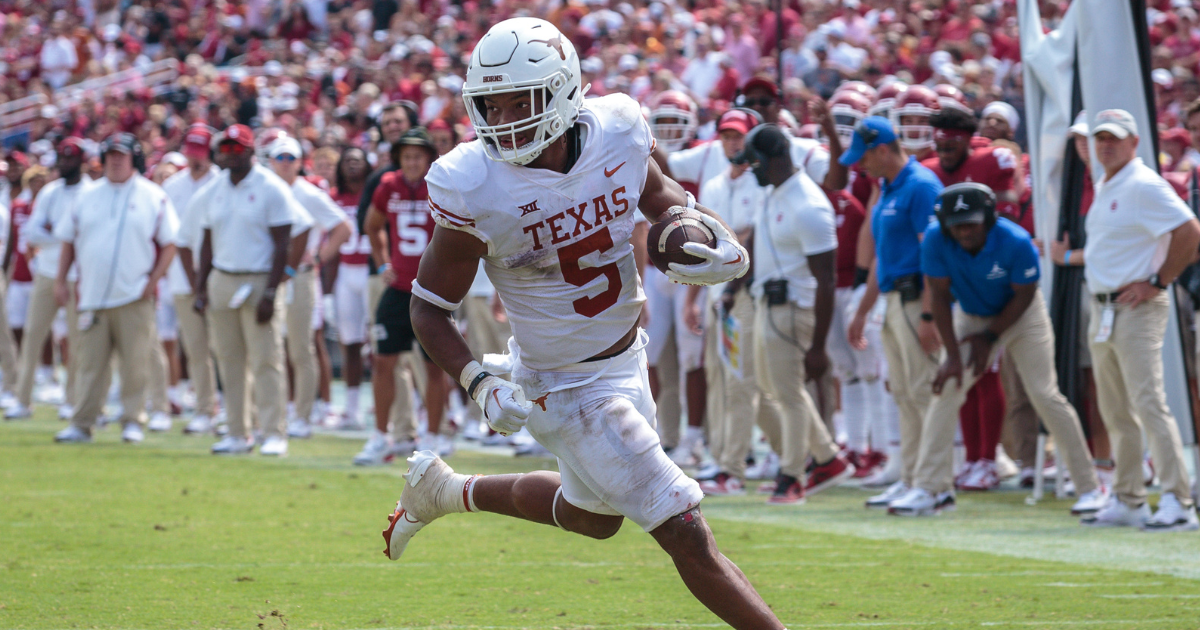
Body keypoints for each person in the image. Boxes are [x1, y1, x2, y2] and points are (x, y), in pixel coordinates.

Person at [384, 19, 786, 630]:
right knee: (685, 530)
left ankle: (445, 491)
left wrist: (692, 229)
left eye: (522, 99)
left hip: (625, 359)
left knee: (592, 518)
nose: (505, 116)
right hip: (563, 384)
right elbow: (428, 307)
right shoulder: (473, 184)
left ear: (564, 91)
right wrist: (477, 382)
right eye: (491, 103)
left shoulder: (618, 129)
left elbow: (660, 195)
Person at [902, 182, 1106, 517]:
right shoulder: (936, 239)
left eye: (970, 222)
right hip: (970, 314)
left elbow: (1024, 294)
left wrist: (991, 337)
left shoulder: (1015, 241)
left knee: (1044, 393)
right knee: (946, 388)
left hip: (1021, 315)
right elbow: (938, 295)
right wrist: (952, 356)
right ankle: (931, 488)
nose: (964, 231)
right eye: (956, 224)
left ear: (989, 218)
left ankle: (1089, 486)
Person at [1063, 109, 1200, 531]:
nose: (1105, 145)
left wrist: (1159, 282)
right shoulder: (1108, 182)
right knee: (1116, 407)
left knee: (1148, 403)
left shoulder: (1143, 184)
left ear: (1134, 142)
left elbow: (1190, 230)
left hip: (1136, 306)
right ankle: (1129, 498)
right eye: (1099, 137)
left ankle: (1179, 500)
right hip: (1105, 306)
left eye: (1114, 138)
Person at [735, 124, 855, 504]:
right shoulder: (774, 192)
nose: (749, 169)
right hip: (767, 303)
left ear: (774, 159)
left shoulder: (809, 205)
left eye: (754, 162)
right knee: (777, 390)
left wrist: (819, 345)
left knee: (789, 394)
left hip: (792, 308)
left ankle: (793, 476)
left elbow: (826, 278)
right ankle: (827, 458)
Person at [842, 116, 946, 510]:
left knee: (922, 392)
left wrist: (930, 315)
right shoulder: (888, 186)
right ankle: (911, 478)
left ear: (882, 149)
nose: (860, 165)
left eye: (864, 157)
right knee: (904, 393)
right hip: (892, 299)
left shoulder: (920, 186)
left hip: (916, 298)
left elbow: (933, 255)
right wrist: (862, 311)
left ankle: (933, 484)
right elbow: (885, 259)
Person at [52, 133, 179, 444]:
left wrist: (152, 282)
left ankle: (132, 420)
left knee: (135, 363)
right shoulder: (87, 195)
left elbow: (170, 243)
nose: (116, 160)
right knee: (89, 364)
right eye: (110, 155)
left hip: (134, 294)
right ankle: (83, 422)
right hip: (92, 294)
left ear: (133, 158)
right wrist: (60, 279)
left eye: (122, 155)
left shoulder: (153, 195)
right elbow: (68, 239)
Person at [191, 124, 298, 456]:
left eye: (237, 149)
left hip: (258, 278)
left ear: (251, 152)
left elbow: (284, 245)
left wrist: (270, 292)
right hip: (222, 277)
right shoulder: (214, 188)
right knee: (229, 359)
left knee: (266, 360)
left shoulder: (271, 187)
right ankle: (237, 432)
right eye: (226, 149)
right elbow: (207, 242)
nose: (230, 154)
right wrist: (200, 287)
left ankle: (273, 432)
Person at [356, 128, 442, 465]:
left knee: (434, 367)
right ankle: (380, 436)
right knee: (382, 363)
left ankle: (433, 439)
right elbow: (371, 224)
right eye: (406, 156)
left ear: (428, 158)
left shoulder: (440, 183)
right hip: (396, 289)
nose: (411, 162)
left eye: (417, 156)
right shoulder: (388, 185)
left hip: (432, 290)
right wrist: (381, 263)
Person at [266, 137, 351, 439]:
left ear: (300, 162)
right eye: (280, 158)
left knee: (301, 347)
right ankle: (278, 410)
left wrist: (318, 257)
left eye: (291, 157)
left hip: (300, 275)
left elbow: (343, 227)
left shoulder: (308, 193)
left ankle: (302, 413)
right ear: (271, 161)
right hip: (268, 275)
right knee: (271, 346)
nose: (286, 163)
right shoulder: (265, 190)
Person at [7, 139, 90, 421]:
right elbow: (33, 232)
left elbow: (87, 237)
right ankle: (23, 398)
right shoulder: (50, 192)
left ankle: (72, 399)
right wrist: (67, 234)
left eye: (71, 159)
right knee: (33, 334)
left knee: (77, 341)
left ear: (81, 162)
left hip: (79, 275)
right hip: (47, 272)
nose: (65, 163)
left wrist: (56, 231)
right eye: (62, 158)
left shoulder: (91, 192)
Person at [165, 124, 221, 435]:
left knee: (228, 349)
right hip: (182, 278)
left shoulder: (222, 182)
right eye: (192, 150)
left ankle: (237, 409)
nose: (196, 157)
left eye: (201, 151)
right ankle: (204, 407)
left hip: (219, 274)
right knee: (196, 348)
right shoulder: (172, 186)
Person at [330, 147, 373, 429]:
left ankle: (396, 408)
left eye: (357, 160)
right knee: (351, 342)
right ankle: (353, 408)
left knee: (383, 344)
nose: (352, 165)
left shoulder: (375, 193)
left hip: (371, 271)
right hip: (345, 271)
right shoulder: (333, 198)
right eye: (347, 161)